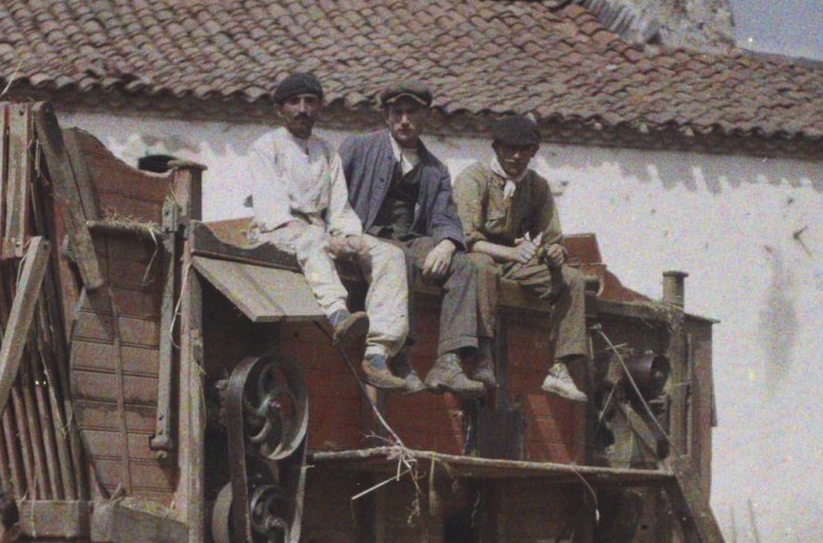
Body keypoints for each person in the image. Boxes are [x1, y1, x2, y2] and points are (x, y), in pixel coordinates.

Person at [339, 85, 491, 397]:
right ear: (386, 116)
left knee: (464, 266)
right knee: (398, 257)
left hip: (409, 238)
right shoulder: (358, 148)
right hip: (362, 236)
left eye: (413, 113)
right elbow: (331, 191)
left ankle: (448, 362)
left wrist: (447, 243)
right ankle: (400, 357)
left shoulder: (435, 169)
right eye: (398, 113)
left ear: (426, 117)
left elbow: (445, 217)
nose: (405, 120)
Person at [242, 69, 388, 356]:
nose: (303, 110)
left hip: (318, 231)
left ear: (319, 107)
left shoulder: (327, 151)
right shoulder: (265, 147)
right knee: (311, 238)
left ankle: (384, 337)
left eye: (310, 101)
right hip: (277, 232)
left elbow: (340, 206)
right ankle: (338, 314)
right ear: (279, 110)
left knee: (381, 251)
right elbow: (272, 211)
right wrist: (323, 238)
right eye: (294, 102)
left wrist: (349, 237)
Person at [454, 114, 591, 403]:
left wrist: (554, 253)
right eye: (508, 149)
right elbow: (466, 240)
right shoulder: (473, 179)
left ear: (534, 152)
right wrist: (511, 253)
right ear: (495, 148)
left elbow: (553, 237)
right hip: (477, 259)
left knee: (573, 279)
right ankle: (483, 358)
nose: (516, 156)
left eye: (524, 150)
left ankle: (560, 369)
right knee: (482, 267)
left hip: (515, 264)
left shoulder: (537, 186)